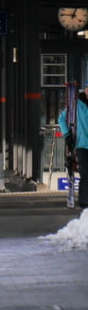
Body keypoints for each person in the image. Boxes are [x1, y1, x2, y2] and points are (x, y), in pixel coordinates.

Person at [58, 84, 88, 213]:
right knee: (86, 174)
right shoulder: (76, 105)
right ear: (85, 90)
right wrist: (66, 134)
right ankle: (85, 203)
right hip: (82, 145)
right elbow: (61, 118)